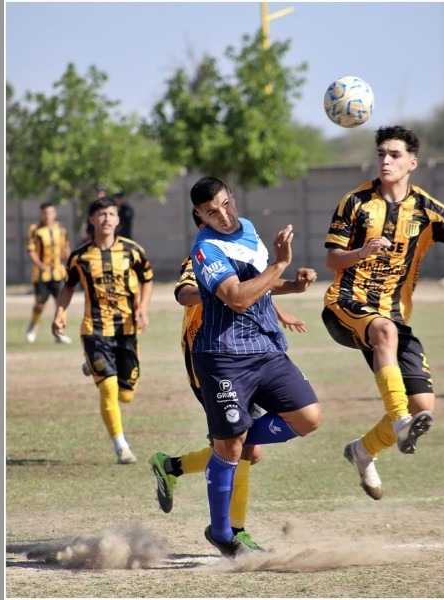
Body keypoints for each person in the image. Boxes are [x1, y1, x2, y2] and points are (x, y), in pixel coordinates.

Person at [321, 125, 444, 501]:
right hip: (346, 303)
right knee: (384, 334)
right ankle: (401, 422)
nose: (386, 160)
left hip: (393, 316)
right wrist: (362, 252)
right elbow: (331, 258)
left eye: (395, 155)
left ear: (412, 163)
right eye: (381, 154)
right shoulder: (355, 202)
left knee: (425, 408)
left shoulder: (426, 208)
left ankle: (363, 450)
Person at [148, 211, 310, 552]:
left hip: (248, 352)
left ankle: (172, 466)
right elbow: (184, 293)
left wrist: (283, 304)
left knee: (244, 446)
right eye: (211, 214)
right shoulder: (200, 255)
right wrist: (216, 293)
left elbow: (253, 291)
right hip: (212, 357)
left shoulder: (240, 252)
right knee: (241, 447)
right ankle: (234, 532)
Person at [187, 176, 322, 558]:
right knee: (230, 446)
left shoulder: (247, 229)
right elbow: (237, 298)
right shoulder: (205, 249)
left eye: (225, 204)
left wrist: (292, 284)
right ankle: (221, 532)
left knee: (308, 417)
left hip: (266, 349)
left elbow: (259, 282)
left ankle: (230, 441)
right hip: (223, 356)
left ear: (233, 197)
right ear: (200, 217)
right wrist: (280, 263)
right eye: (211, 212)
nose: (223, 215)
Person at [52, 195, 154, 464]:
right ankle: (121, 447)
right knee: (108, 389)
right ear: (91, 220)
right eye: (101, 214)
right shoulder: (80, 257)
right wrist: (59, 313)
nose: (106, 219)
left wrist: (143, 307)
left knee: (126, 395)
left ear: (118, 219)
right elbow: (68, 287)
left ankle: (92, 366)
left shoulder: (134, 251)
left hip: (128, 331)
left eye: (111, 214)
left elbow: (147, 280)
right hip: (94, 331)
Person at [25, 202, 72, 344]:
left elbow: (66, 250)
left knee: (61, 303)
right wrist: (39, 264)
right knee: (40, 302)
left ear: (55, 213)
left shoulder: (61, 230)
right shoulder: (35, 230)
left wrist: (71, 264)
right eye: (44, 213)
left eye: (50, 213)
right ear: (41, 214)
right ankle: (33, 325)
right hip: (41, 274)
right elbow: (31, 250)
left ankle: (59, 332)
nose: (47, 216)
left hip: (58, 273)